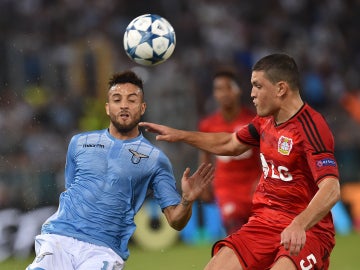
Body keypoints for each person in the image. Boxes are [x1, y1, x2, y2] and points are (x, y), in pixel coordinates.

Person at [139, 53, 341, 270]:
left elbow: (331, 188)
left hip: (307, 229)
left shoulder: (311, 127)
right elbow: (230, 143)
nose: (252, 94)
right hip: (264, 223)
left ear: (281, 88)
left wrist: (299, 224)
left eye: (258, 86)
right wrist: (180, 135)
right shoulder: (265, 121)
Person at [26, 70, 214, 270]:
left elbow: (176, 221)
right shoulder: (79, 143)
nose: (124, 105)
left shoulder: (155, 159)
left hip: (103, 250)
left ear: (142, 108)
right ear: (108, 108)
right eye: (117, 99)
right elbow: (72, 188)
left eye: (132, 100)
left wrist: (187, 199)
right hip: (59, 237)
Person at [198, 69, 261, 234]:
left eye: (228, 87)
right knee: (235, 231)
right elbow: (205, 155)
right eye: (219, 89)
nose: (224, 93)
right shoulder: (208, 124)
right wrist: (204, 184)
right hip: (227, 188)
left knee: (260, 237)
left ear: (238, 90)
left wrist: (264, 179)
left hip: (255, 186)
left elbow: (268, 153)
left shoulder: (254, 120)